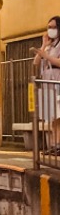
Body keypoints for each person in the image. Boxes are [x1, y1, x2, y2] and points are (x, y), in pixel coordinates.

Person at [34, 16, 60, 150]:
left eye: (54, 27)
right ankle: (55, 144)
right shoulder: (49, 46)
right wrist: (43, 45)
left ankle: (57, 143)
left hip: (57, 79)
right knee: (51, 114)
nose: (51, 30)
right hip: (47, 81)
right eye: (49, 27)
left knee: (59, 114)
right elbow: (36, 62)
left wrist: (47, 56)